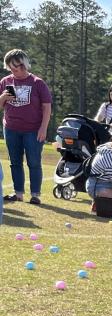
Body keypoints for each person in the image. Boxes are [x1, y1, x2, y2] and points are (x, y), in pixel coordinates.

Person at [0, 49, 51, 206]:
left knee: (34, 162)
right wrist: (2, 98)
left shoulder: (37, 83)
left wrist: (43, 128)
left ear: (25, 64)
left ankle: (35, 194)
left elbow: (47, 107)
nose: (16, 71)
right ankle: (18, 193)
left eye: (19, 66)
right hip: (11, 128)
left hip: (33, 130)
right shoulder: (5, 82)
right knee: (15, 162)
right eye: (12, 68)